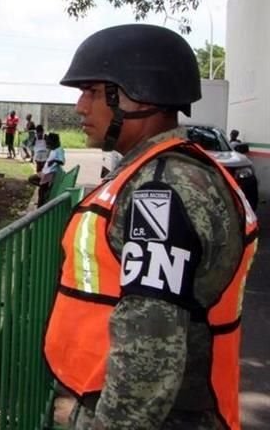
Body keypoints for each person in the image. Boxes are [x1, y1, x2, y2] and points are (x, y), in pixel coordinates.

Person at [44, 24, 258, 430]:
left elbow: (149, 355)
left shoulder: (162, 191)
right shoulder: (159, 174)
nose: (79, 107)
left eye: (91, 91)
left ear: (135, 96)